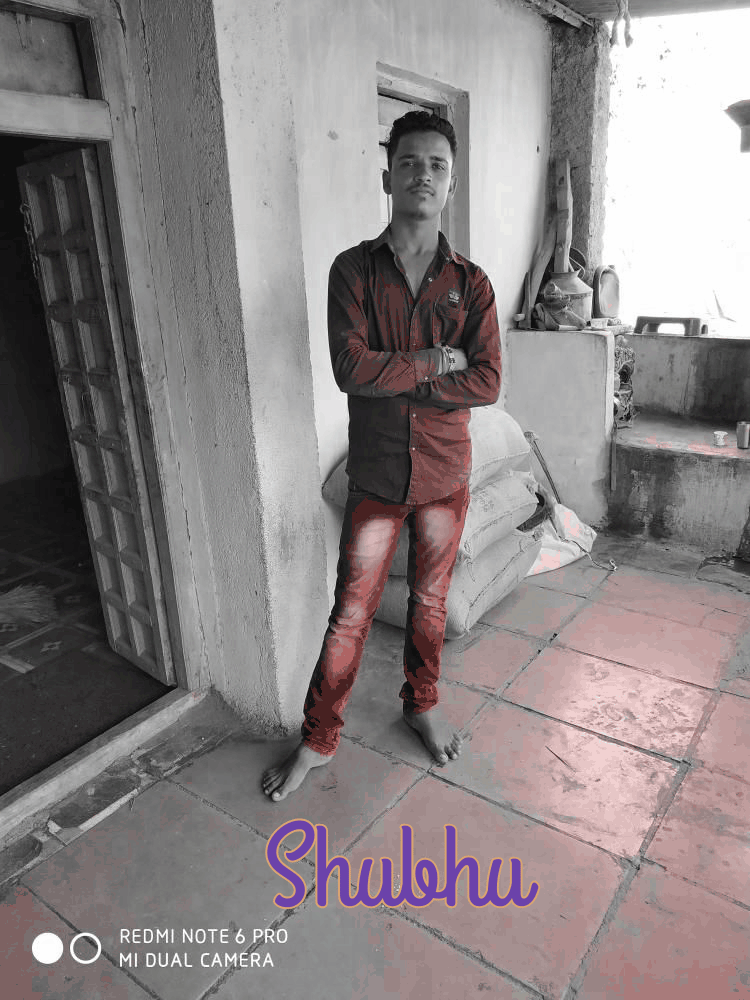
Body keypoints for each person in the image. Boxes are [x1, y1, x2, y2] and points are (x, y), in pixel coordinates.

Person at [263, 111, 501, 802]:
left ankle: (420, 705)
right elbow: (349, 369)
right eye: (409, 162)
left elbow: (487, 380)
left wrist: (395, 372)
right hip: (374, 476)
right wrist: (433, 362)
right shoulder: (353, 271)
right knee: (351, 613)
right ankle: (318, 739)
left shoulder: (472, 283)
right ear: (388, 176)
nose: (423, 174)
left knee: (430, 602)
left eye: (437, 165)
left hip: (444, 476)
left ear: (451, 183)